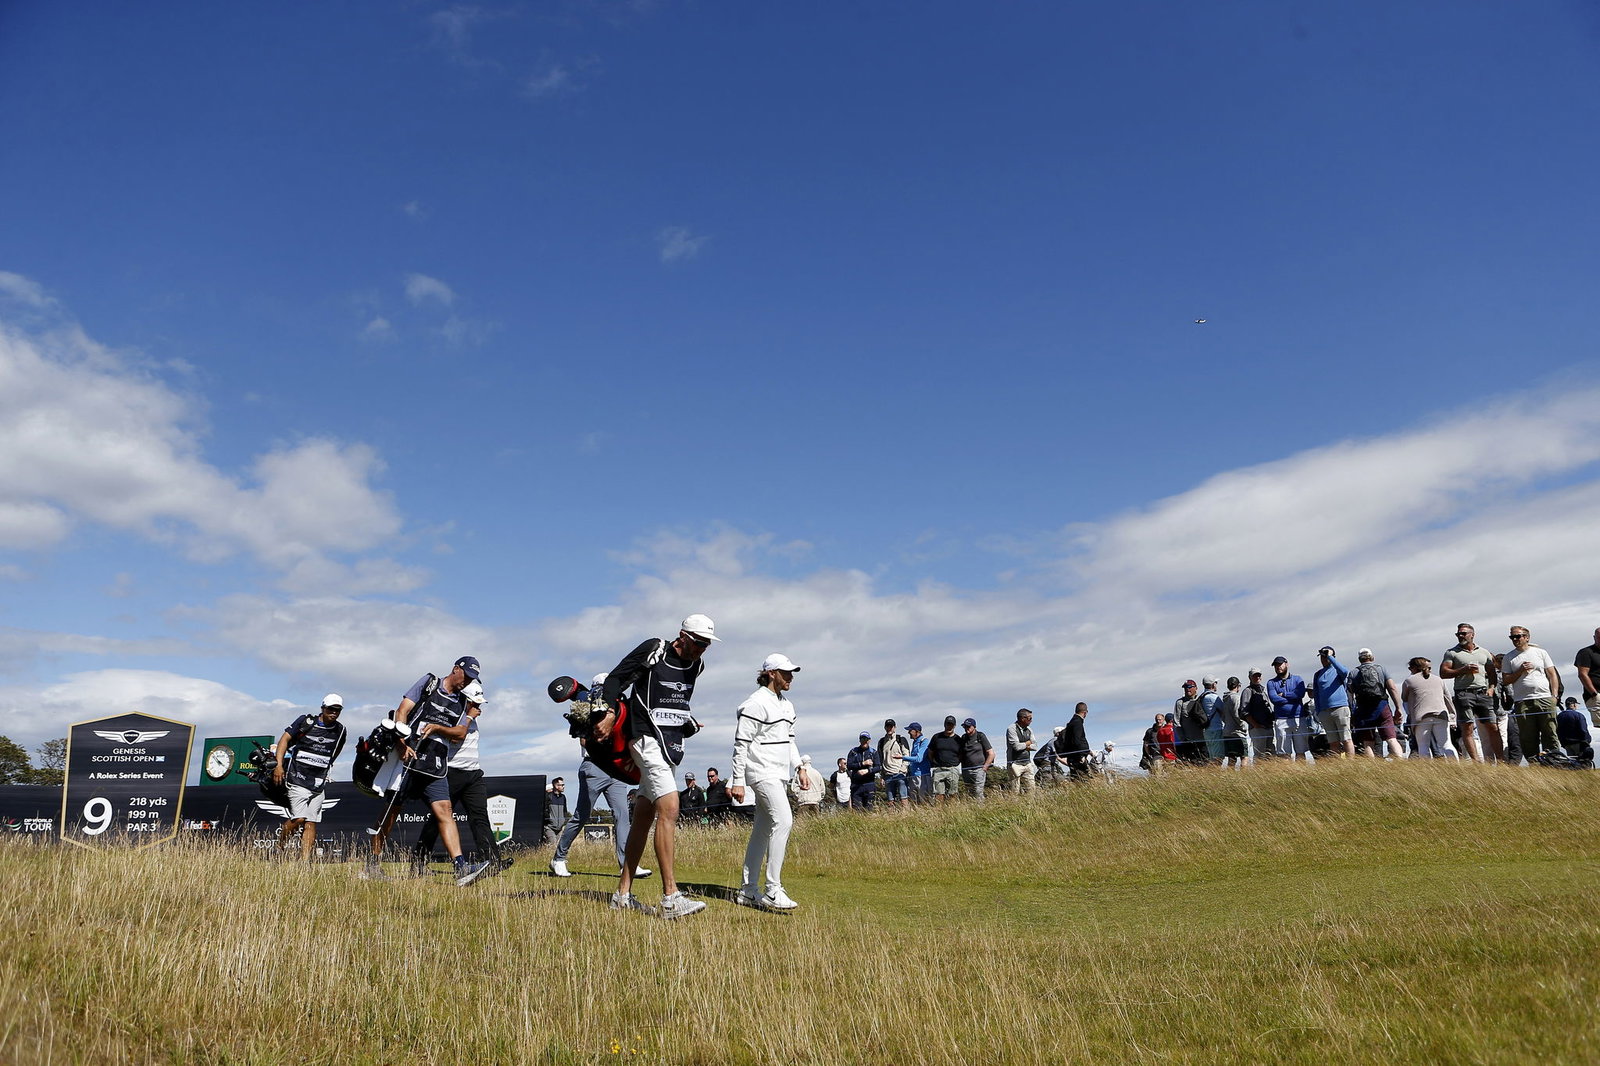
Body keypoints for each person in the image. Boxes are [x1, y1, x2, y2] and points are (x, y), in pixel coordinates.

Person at [596, 613, 719, 918]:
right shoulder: (654, 649)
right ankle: (671, 897)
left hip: (671, 745)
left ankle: (622, 895)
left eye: (706, 644)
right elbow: (615, 679)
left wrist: (687, 723)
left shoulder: (698, 666)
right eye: (698, 642)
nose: (702, 649)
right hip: (645, 740)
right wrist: (609, 712)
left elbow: (675, 701)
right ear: (683, 635)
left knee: (644, 815)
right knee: (670, 808)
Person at [363, 656, 492, 887]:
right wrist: (402, 743)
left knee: (445, 810)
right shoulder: (429, 682)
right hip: (409, 758)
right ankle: (371, 864)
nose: (468, 682)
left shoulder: (463, 701)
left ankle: (461, 867)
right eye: (467, 676)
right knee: (391, 811)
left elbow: (460, 732)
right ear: (455, 669)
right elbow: (402, 710)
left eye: (473, 679)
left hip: (436, 765)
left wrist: (440, 728)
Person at [551, 674, 650, 880]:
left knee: (622, 816)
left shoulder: (619, 706)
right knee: (582, 815)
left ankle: (627, 865)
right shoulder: (585, 706)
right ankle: (559, 858)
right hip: (594, 767)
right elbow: (584, 742)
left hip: (616, 769)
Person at [730, 653, 807, 910]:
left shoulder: (787, 705)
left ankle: (748, 891)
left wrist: (800, 767)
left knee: (762, 831)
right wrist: (738, 781)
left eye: (792, 673)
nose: (790, 677)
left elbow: (790, 740)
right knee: (784, 820)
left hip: (779, 773)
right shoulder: (754, 704)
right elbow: (741, 746)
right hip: (761, 773)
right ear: (771, 673)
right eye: (786, 672)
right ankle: (773, 889)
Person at [414, 681, 506, 874]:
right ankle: (419, 863)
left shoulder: (470, 716)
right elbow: (457, 737)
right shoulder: (455, 714)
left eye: (480, 704)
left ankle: (491, 861)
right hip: (452, 772)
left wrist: (471, 717)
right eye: (475, 703)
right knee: (439, 818)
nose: (478, 708)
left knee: (480, 816)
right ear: (465, 700)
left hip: (473, 773)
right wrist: (469, 717)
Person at [272, 694, 347, 861]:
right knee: (299, 818)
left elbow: (337, 749)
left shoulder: (340, 730)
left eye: (337, 710)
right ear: (323, 708)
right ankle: (279, 847)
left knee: (311, 822)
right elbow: (284, 740)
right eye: (331, 709)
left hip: (319, 782)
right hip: (297, 777)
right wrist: (278, 766)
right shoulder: (305, 721)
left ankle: (305, 862)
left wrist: (326, 764)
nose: (334, 713)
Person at [1440, 623, 1502, 763]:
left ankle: (1501, 760)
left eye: (1463, 633)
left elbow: (1492, 673)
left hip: (1483, 693)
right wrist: (1463, 670)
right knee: (1467, 727)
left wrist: (1491, 688)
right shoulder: (1451, 652)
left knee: (1493, 726)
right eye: (1458, 634)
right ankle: (1476, 762)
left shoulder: (1484, 652)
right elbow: (1443, 673)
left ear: (1472, 635)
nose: (1460, 636)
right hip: (1464, 693)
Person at [1502, 626, 1561, 764]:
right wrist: (1520, 670)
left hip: (1545, 698)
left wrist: (1554, 696)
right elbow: (1506, 680)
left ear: (1527, 637)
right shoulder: (1508, 657)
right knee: (1527, 736)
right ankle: (1534, 764)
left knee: (1550, 732)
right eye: (1512, 637)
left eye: (1518, 636)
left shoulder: (1540, 653)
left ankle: (1554, 761)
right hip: (1522, 701)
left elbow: (1552, 674)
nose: (1515, 639)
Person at [1348, 650, 1407, 761]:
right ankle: (1401, 762)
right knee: (1391, 738)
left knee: (1367, 742)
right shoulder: (1381, 669)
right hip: (1382, 707)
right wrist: (1398, 708)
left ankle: (1373, 768)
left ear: (1359, 659)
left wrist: (1352, 714)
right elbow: (1392, 688)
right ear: (1372, 657)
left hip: (1363, 710)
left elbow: (1350, 695)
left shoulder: (1353, 672)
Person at [1402, 657, 1457, 760]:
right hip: (1441, 715)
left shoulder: (1409, 681)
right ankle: (1456, 767)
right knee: (1447, 745)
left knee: (1423, 746)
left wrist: (1410, 714)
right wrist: (1452, 717)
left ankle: (1427, 771)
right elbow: (1448, 699)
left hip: (1421, 718)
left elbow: (1405, 699)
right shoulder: (1439, 680)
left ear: (1413, 668)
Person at [1311, 647, 1354, 759]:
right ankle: (1337, 766)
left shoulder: (1337, 670)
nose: (1323, 659)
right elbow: (1316, 693)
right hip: (1325, 711)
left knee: (1346, 739)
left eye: (1325, 656)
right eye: (1322, 656)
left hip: (1340, 708)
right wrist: (1319, 711)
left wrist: (1330, 656)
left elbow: (1345, 672)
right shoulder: (1318, 674)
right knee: (1333, 742)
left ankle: (1351, 765)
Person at [1267, 656, 1311, 761]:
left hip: (1298, 718)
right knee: (1283, 753)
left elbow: (1300, 694)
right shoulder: (1271, 682)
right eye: (1276, 665)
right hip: (1281, 719)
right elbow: (1274, 699)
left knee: (1300, 752)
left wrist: (1283, 694)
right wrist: (1292, 698)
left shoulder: (1297, 679)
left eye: (1280, 664)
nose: (1278, 667)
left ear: (1286, 664)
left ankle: (1301, 774)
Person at [927, 716, 964, 803]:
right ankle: (940, 813)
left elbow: (961, 754)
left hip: (952, 769)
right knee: (939, 794)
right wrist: (934, 762)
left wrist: (956, 763)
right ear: (944, 724)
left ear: (954, 726)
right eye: (948, 724)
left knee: (953, 793)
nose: (949, 726)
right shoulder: (936, 737)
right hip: (938, 769)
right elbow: (930, 752)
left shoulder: (958, 739)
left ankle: (952, 811)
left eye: (951, 725)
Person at [1240, 670, 1275, 760]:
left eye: (1259, 675)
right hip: (1258, 729)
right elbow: (1244, 711)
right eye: (1255, 676)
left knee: (1271, 755)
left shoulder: (1263, 692)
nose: (1257, 678)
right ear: (1250, 677)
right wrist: (1255, 725)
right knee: (1259, 756)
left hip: (1268, 727)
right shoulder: (1247, 691)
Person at [877, 720, 912, 806]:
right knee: (890, 801)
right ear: (885, 727)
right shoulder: (881, 742)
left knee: (904, 798)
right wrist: (882, 776)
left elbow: (906, 755)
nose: (889, 728)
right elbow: (881, 759)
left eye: (891, 726)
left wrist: (902, 770)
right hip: (887, 775)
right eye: (887, 726)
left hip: (900, 774)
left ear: (895, 727)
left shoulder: (901, 739)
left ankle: (906, 815)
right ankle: (892, 817)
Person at [959, 717, 994, 799]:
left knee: (978, 792)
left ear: (974, 727)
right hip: (966, 770)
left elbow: (991, 753)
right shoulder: (963, 738)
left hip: (979, 769)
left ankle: (981, 809)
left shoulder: (980, 736)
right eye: (965, 727)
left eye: (968, 726)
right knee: (969, 793)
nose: (966, 728)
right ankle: (972, 810)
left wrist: (985, 767)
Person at [1005, 708, 1038, 794]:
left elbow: (1035, 746)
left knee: (1031, 789)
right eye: (1029, 718)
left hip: (1027, 763)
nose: (1031, 721)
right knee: (1014, 790)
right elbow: (1016, 747)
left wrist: (1025, 745)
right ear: (1022, 718)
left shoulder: (1029, 730)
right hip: (1014, 763)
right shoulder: (1012, 729)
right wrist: (1027, 743)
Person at [1219, 677, 1249, 769]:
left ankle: (1230, 778)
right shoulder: (1236, 698)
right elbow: (1237, 715)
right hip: (1237, 733)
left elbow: (1223, 716)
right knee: (1244, 757)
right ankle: (1244, 778)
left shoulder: (1224, 699)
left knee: (1231, 759)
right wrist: (1243, 726)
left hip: (1227, 732)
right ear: (1238, 686)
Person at [1573, 627, 1600, 729]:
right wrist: (1594, 694)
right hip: (1596, 695)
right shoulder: (1586, 652)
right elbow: (1582, 674)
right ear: (1594, 637)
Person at [1174, 681, 1205, 765]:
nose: (1187, 689)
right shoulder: (1180, 703)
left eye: (1190, 687)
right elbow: (1177, 722)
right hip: (1188, 741)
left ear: (1195, 688)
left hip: (1204, 739)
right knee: (1192, 764)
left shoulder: (1202, 700)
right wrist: (1183, 738)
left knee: (1206, 764)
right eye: (1185, 688)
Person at [846, 733, 877, 811]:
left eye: (866, 739)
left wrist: (868, 770)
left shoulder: (873, 752)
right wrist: (862, 764)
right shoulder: (853, 752)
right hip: (856, 785)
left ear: (869, 740)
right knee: (857, 810)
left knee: (869, 810)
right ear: (859, 740)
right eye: (862, 739)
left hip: (869, 784)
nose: (864, 741)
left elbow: (879, 767)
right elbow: (849, 766)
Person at [1059, 703, 1090, 779]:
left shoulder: (1072, 722)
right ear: (1085, 712)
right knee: (1083, 779)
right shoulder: (1077, 722)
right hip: (1077, 758)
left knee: (1077, 779)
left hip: (1073, 757)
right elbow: (1077, 740)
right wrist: (1081, 755)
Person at [905, 722, 930, 803]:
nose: (908, 732)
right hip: (913, 775)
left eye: (910, 730)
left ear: (917, 731)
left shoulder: (924, 741)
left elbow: (919, 758)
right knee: (914, 802)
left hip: (922, 776)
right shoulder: (915, 742)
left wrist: (902, 758)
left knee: (924, 801)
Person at [543, 776, 568, 847]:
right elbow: (544, 810)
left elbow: (565, 810)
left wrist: (564, 821)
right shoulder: (548, 796)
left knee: (559, 847)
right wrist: (550, 820)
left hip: (560, 828)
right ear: (556, 786)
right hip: (549, 827)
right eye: (562, 785)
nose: (563, 786)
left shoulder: (563, 797)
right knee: (552, 846)